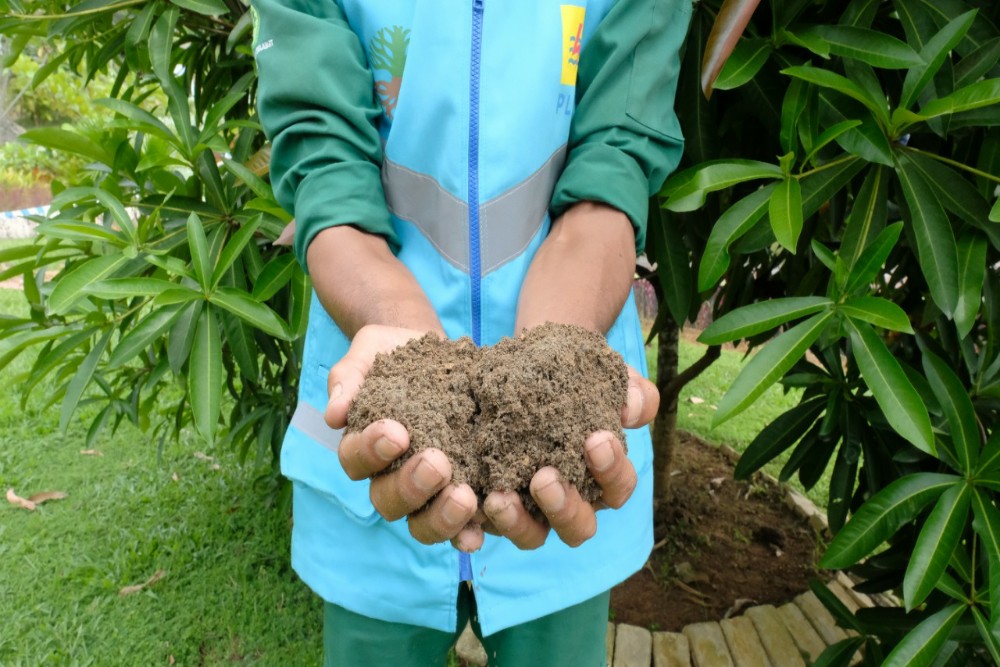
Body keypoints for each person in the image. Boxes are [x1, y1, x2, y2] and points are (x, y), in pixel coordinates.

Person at [252, 0, 690, 664]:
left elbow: (617, 156)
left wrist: (556, 361)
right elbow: (325, 162)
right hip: (373, 448)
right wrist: (398, 329)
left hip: (566, 475)